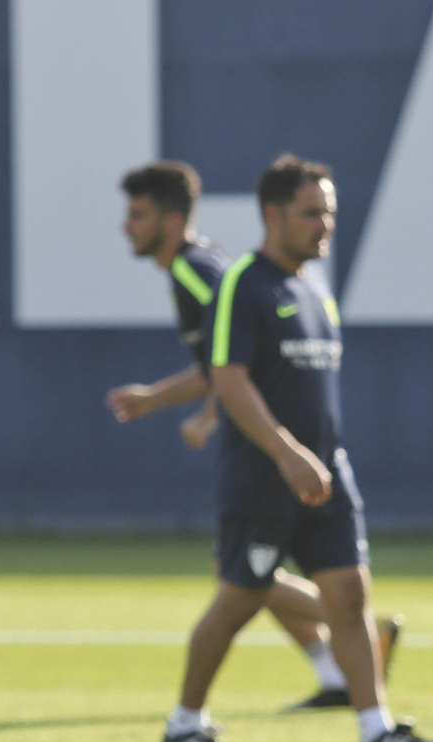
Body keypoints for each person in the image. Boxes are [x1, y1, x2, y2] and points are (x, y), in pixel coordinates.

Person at [162, 154, 433, 742]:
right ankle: (185, 724)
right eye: (311, 213)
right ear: (272, 215)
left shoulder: (313, 290)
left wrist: (318, 458)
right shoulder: (245, 282)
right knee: (239, 597)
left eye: (330, 213)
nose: (324, 225)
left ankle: (376, 731)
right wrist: (287, 453)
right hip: (266, 476)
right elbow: (228, 378)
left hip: (327, 471)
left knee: (349, 597)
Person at [106, 161, 399, 713]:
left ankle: (348, 638)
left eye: (138, 214)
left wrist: (213, 415)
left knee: (241, 582)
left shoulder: (201, 272)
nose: (127, 227)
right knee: (247, 579)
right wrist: (160, 400)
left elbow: (238, 355)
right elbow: (230, 358)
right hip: (275, 448)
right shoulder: (204, 270)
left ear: (172, 219)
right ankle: (336, 666)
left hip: (270, 455)